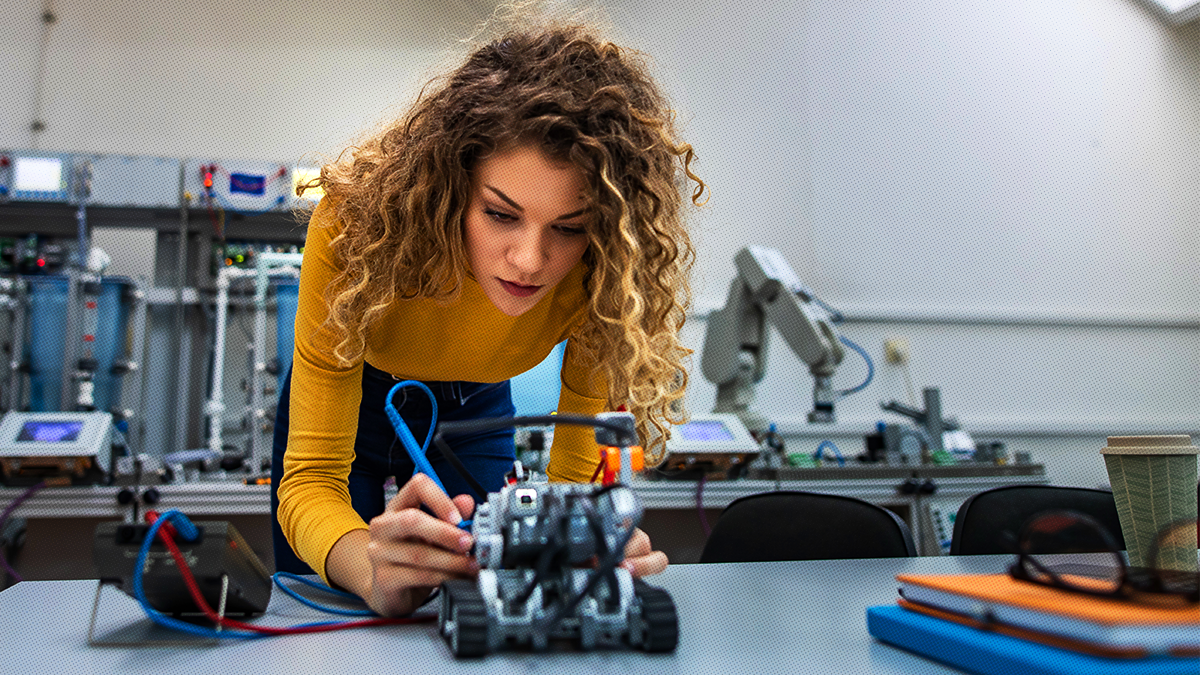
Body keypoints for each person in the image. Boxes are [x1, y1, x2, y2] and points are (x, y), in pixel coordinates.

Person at [271, 15, 706, 618]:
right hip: (359, 397)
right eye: (501, 214)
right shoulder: (353, 227)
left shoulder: (603, 271)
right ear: (453, 183)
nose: (531, 260)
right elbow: (312, 483)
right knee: (336, 601)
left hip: (475, 405)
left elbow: (576, 482)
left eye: (569, 228)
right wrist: (369, 571)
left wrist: (582, 550)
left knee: (491, 579)